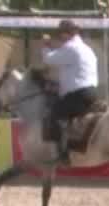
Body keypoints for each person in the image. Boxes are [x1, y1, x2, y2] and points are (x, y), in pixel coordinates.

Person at [42, 20, 99, 163]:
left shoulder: (70, 47)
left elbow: (49, 59)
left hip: (78, 94)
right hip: (91, 92)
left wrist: (46, 46)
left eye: (61, 33)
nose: (60, 36)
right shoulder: (87, 48)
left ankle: (63, 153)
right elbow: (73, 72)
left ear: (66, 33)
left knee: (55, 114)